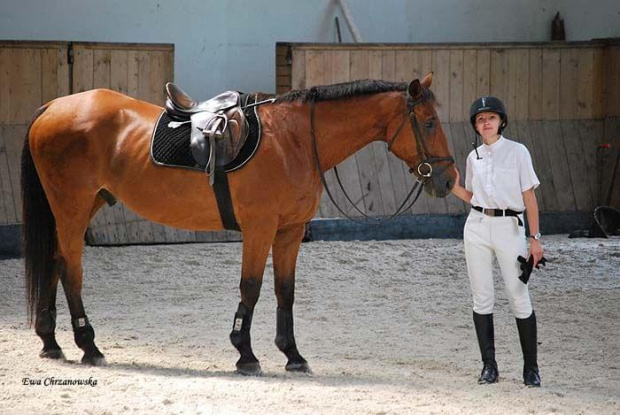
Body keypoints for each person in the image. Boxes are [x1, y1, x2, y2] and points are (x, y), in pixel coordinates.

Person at [450, 96, 544, 387]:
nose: (486, 123)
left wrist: (535, 238)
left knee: (518, 295)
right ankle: (489, 366)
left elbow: (529, 197)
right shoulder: (472, 157)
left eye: (490, 117)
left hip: (509, 227)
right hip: (477, 225)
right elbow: (473, 197)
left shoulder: (518, 152)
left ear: (501, 121)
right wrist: (453, 187)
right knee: (482, 296)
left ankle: (531, 368)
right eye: (480, 120)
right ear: (476, 127)